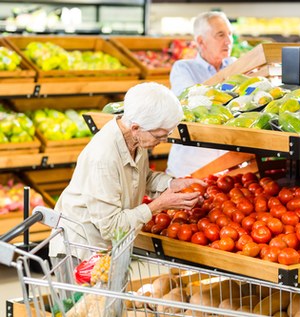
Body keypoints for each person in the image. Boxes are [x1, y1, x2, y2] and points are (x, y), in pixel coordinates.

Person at [49, 82, 205, 262]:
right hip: (81, 250)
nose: (164, 140)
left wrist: (171, 184)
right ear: (136, 127)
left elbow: (141, 176)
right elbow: (110, 226)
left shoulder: (135, 139)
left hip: (109, 248)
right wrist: (158, 205)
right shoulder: (103, 158)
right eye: (159, 135)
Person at [166, 11, 236, 177]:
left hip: (231, 169)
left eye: (230, 34)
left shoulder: (235, 65)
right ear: (201, 41)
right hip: (190, 169)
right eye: (220, 35)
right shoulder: (183, 68)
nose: (228, 41)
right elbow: (194, 102)